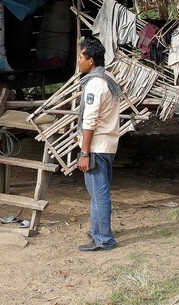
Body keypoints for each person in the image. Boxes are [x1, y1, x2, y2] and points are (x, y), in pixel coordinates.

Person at [75, 36, 123, 252]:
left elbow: (90, 121)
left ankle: (104, 239)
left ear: (91, 60)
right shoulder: (107, 78)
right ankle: (98, 234)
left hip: (96, 148)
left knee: (99, 194)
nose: (78, 61)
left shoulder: (94, 84)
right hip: (108, 145)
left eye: (80, 57)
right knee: (97, 194)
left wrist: (84, 152)